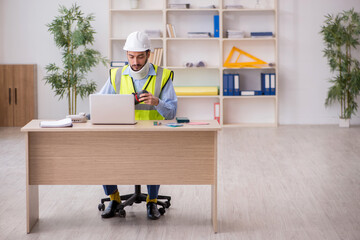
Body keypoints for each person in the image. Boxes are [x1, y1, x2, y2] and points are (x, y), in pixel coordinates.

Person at [98, 31, 177, 220]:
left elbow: (172, 112)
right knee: (102, 155)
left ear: (148, 54)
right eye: (131, 56)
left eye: (140, 56)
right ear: (126, 55)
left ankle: (152, 202)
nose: (135, 62)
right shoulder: (116, 75)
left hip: (152, 134)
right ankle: (115, 199)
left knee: (154, 157)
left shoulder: (163, 76)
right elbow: (100, 103)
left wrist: (157, 102)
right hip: (122, 134)